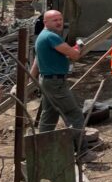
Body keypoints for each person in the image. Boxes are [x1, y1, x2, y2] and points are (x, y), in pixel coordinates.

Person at [29, 10, 96, 160]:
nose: (59, 22)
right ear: (46, 23)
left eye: (60, 19)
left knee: (49, 117)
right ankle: (82, 152)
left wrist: (31, 82)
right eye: (54, 20)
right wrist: (78, 46)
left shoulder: (42, 37)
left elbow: (36, 63)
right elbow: (75, 55)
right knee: (75, 114)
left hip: (47, 81)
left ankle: (41, 151)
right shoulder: (51, 37)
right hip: (56, 83)